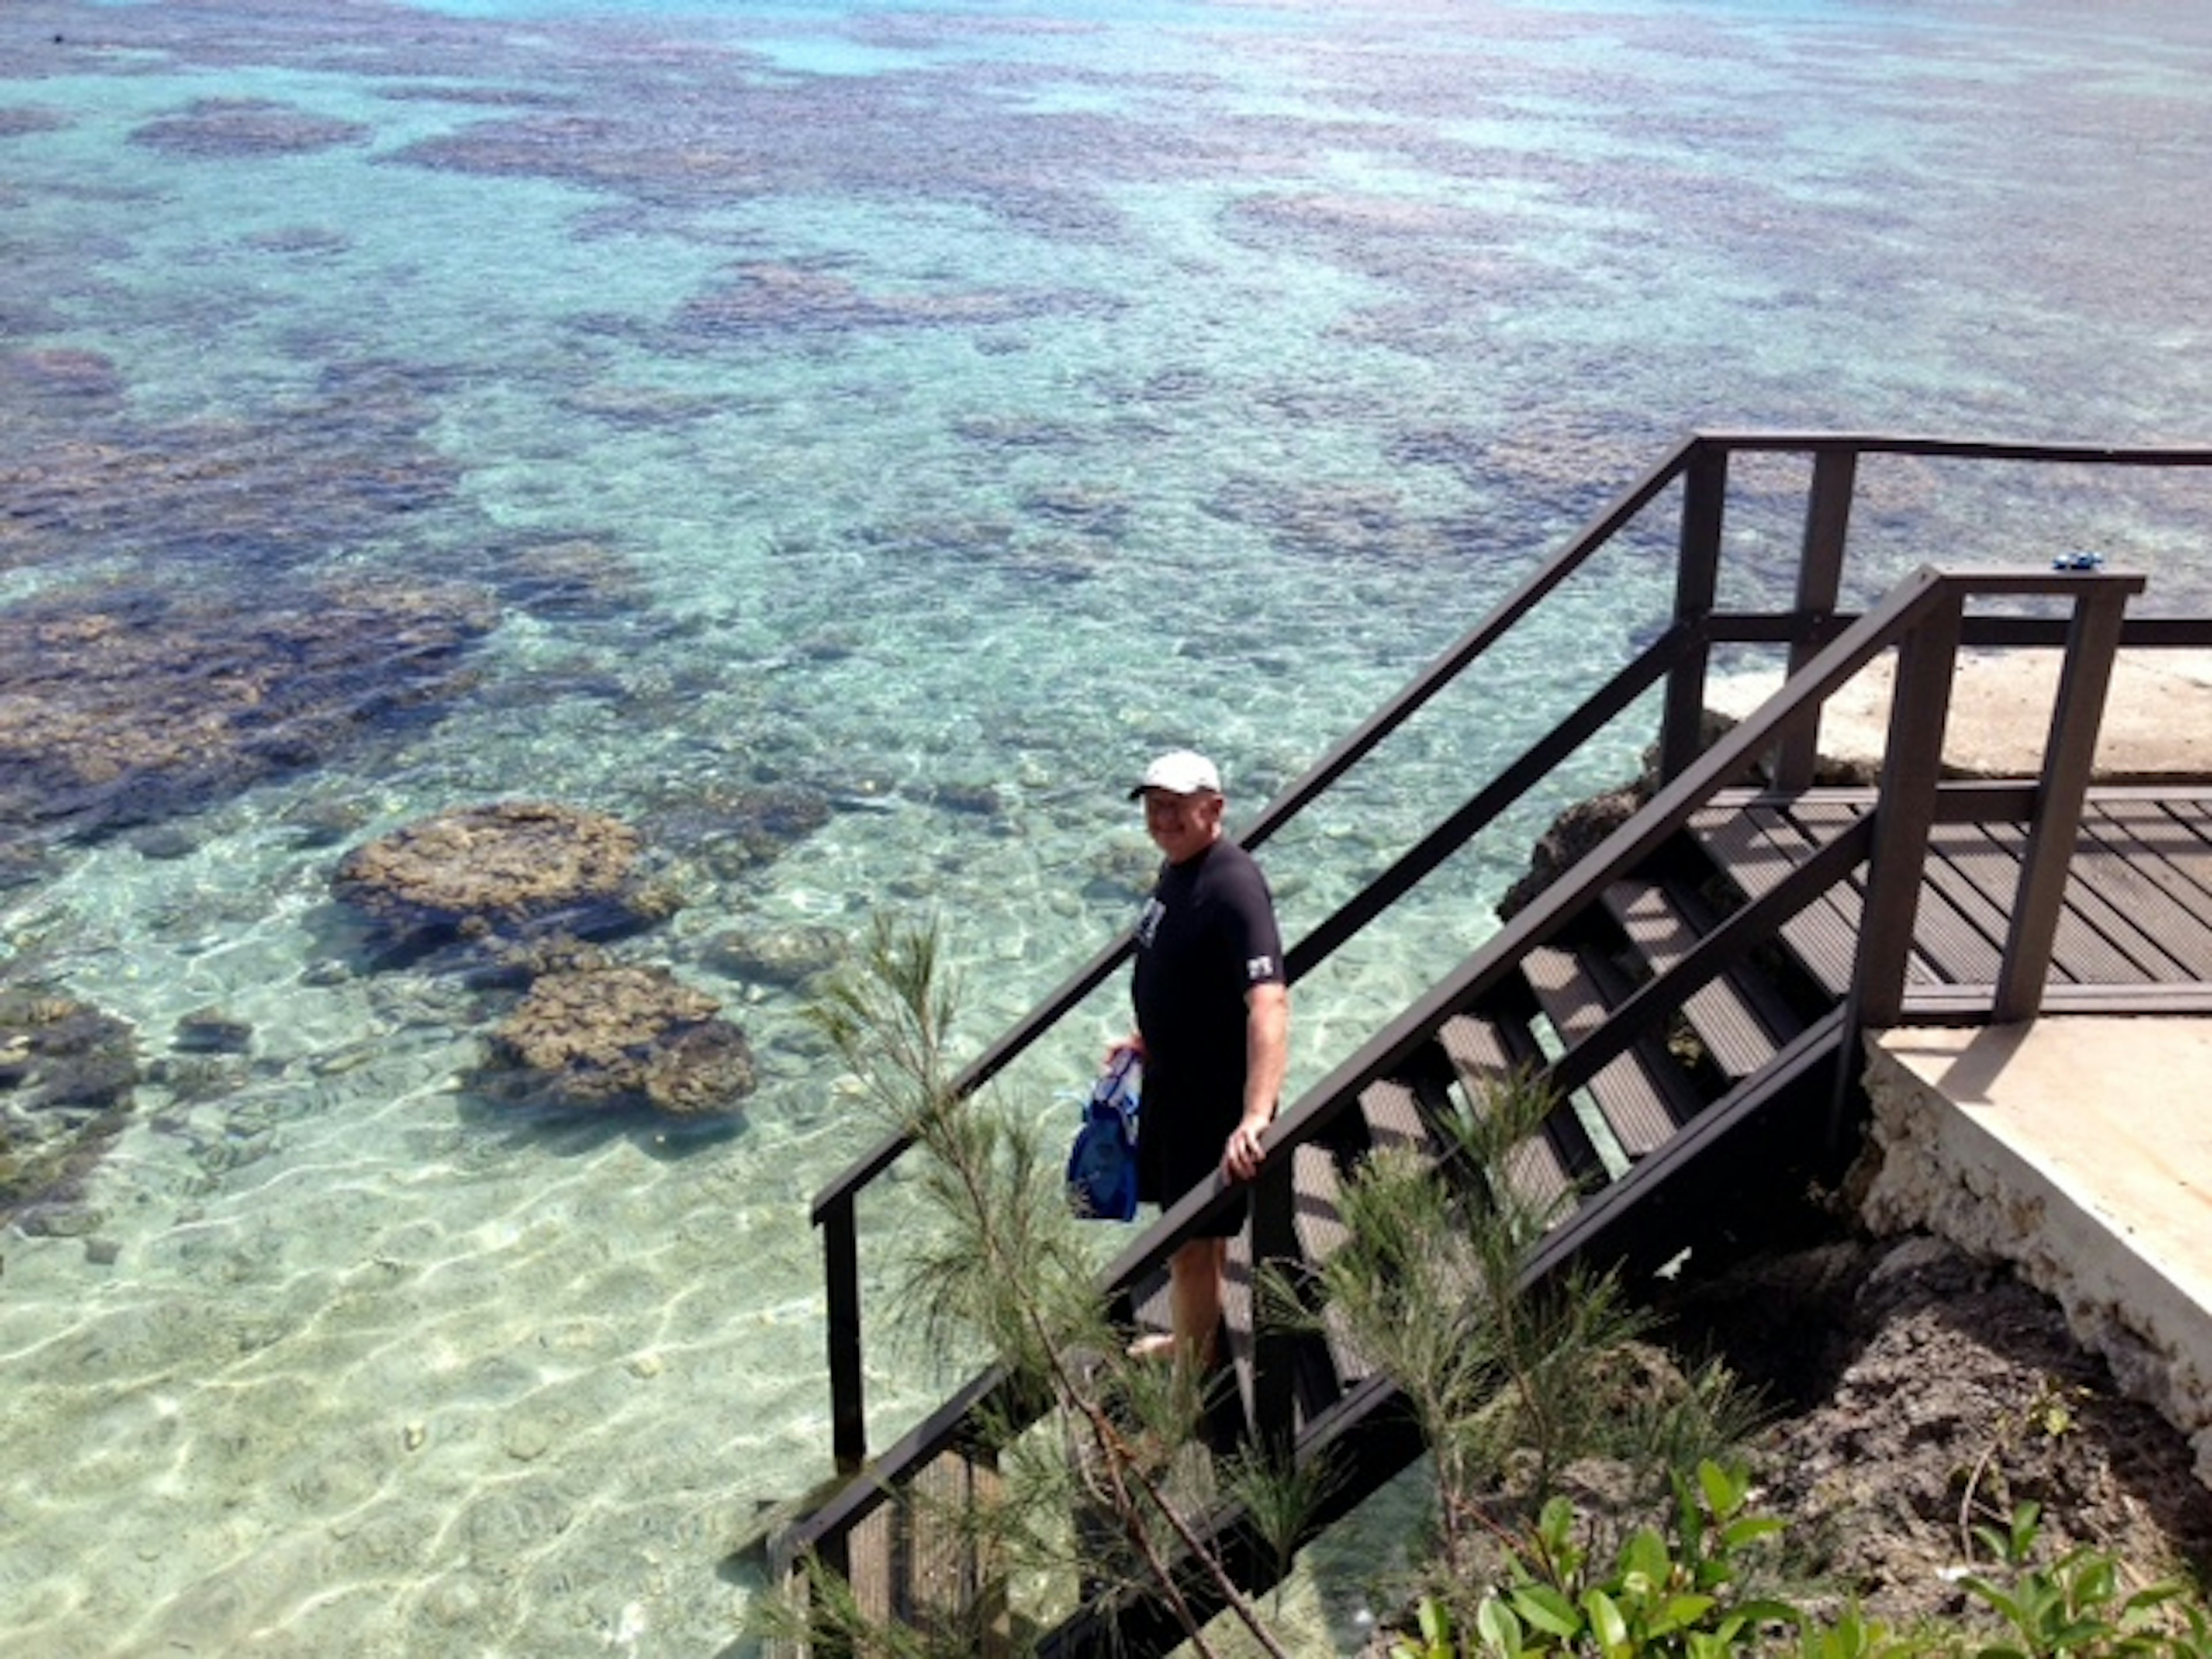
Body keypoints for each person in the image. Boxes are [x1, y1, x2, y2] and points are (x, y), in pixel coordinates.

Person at [1112, 749, 1289, 1372]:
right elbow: (1189, 976)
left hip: (1210, 1100)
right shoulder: (1180, 868)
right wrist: (1147, 1037)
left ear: (1214, 808)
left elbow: (1269, 1002)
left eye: (1177, 806)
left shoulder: (1232, 885)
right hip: (1172, 1082)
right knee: (1198, 1243)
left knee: (1188, 1247)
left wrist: (1255, 1115)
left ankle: (1190, 1389)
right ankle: (1196, 1343)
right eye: (1154, 806)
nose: (1163, 818)